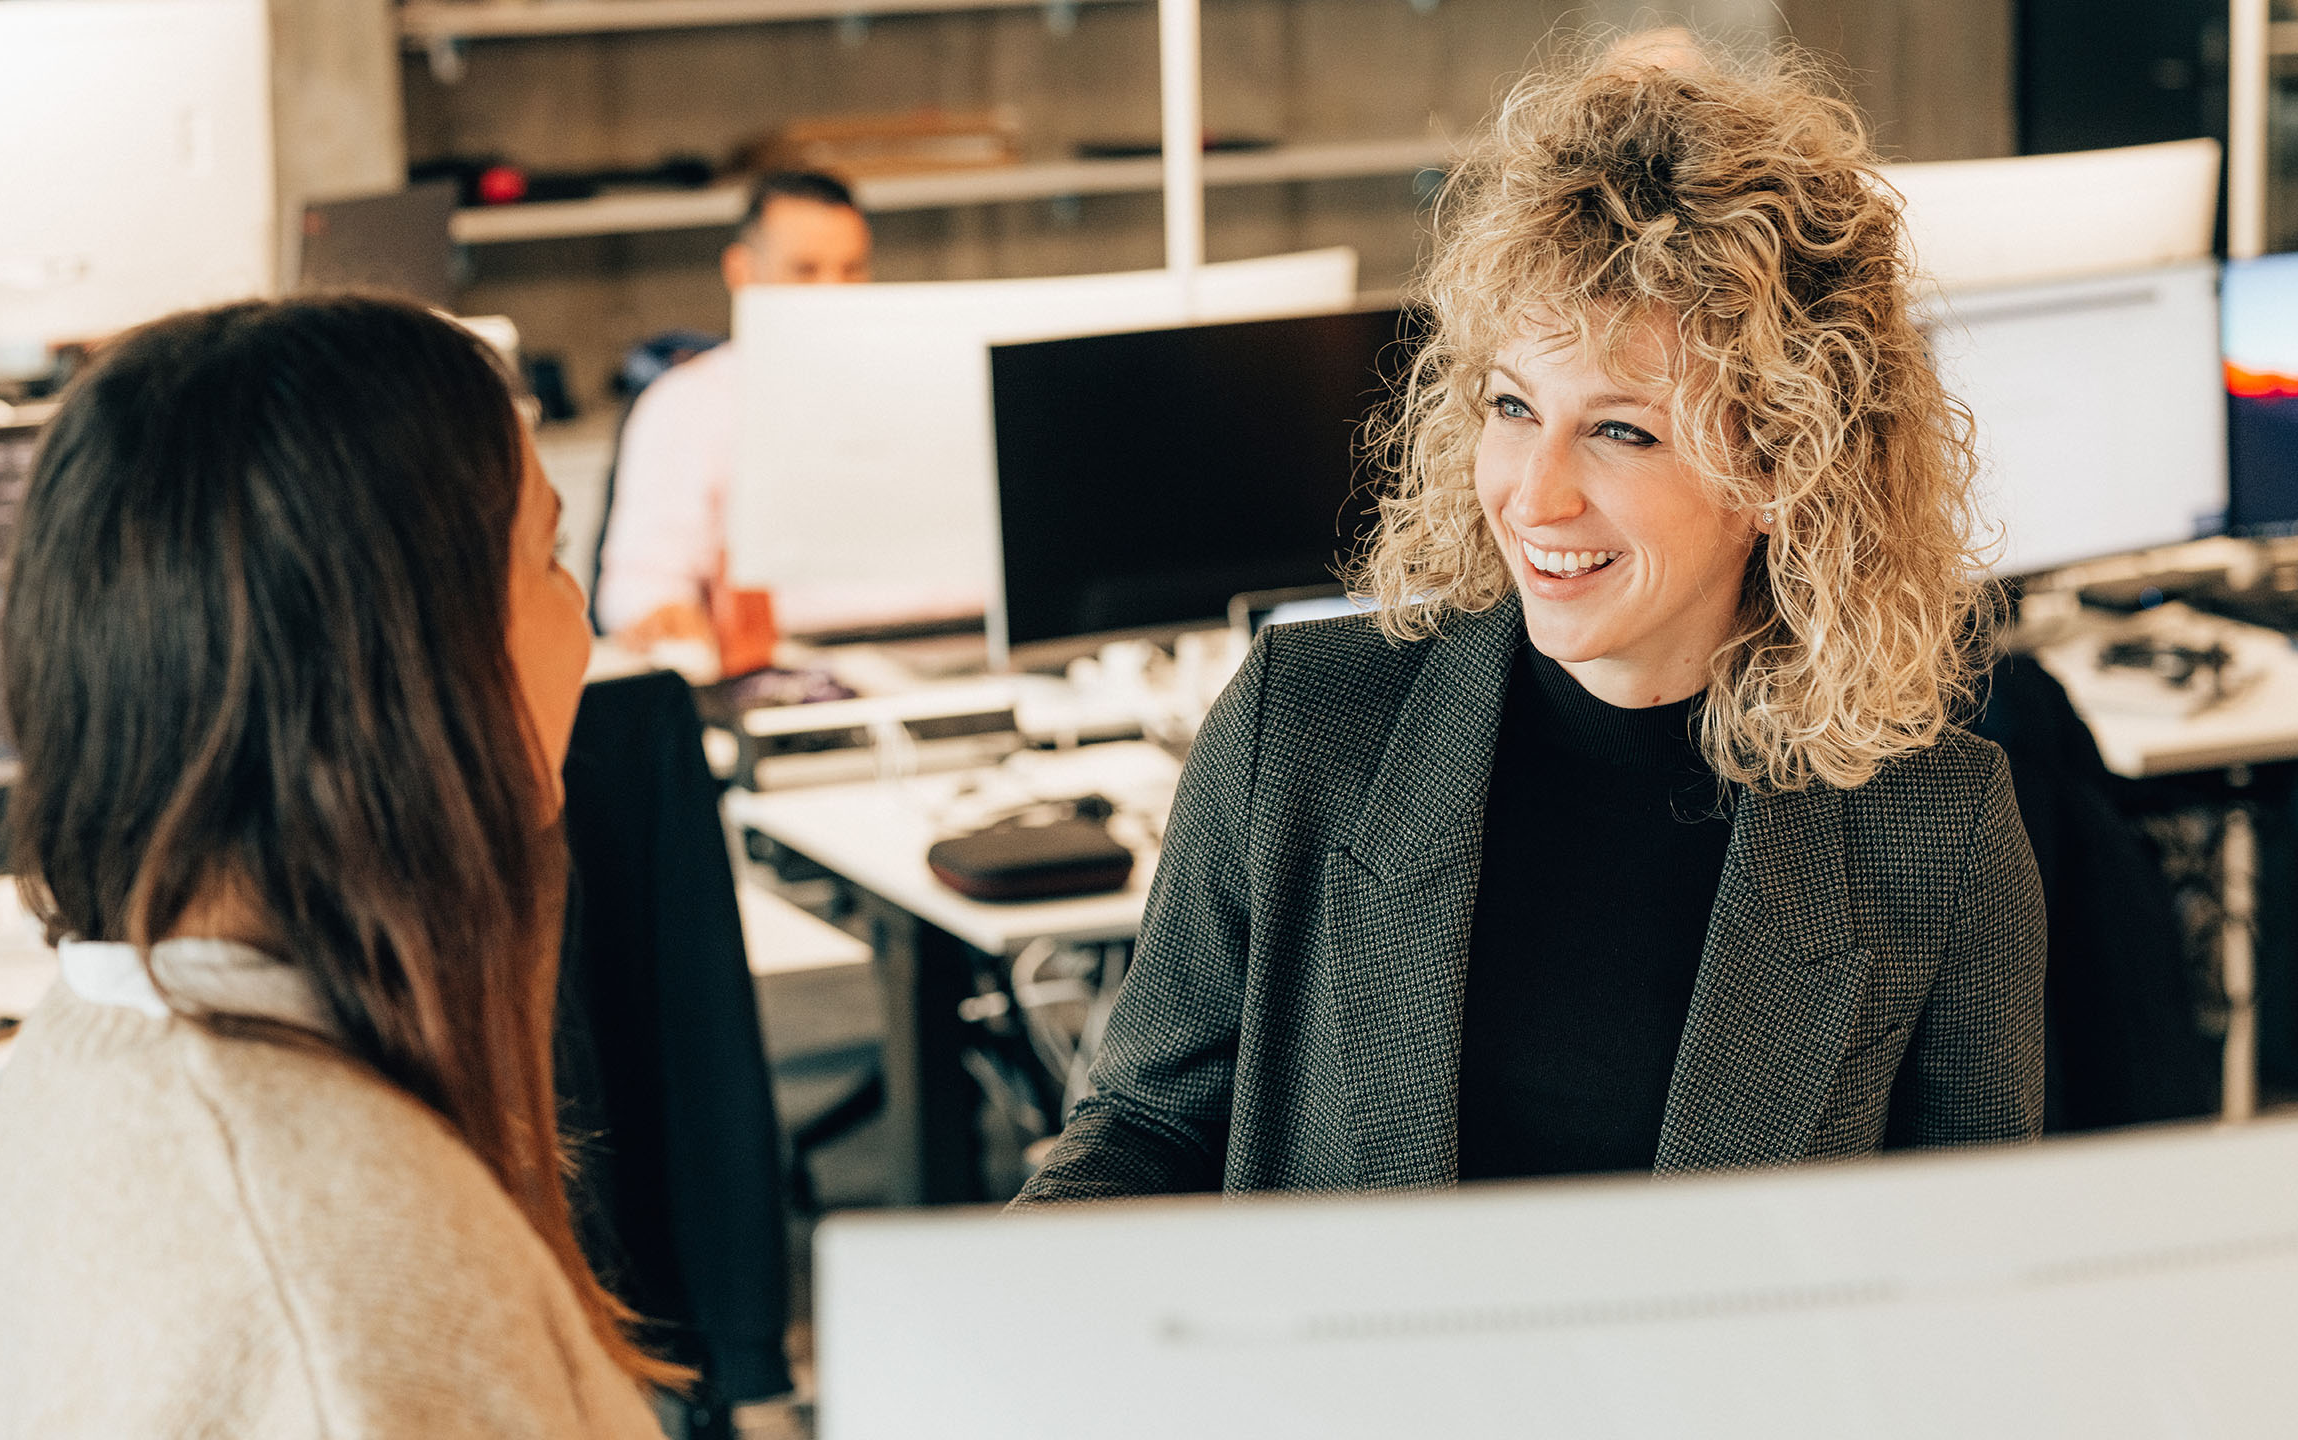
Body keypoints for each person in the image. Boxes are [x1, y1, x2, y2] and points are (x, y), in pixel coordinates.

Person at [1016, 37, 2047, 1204]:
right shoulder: (1302, 723)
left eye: (1621, 430)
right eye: (1512, 406)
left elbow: (1964, 1264)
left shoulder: (1935, 829)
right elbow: (1147, 1126)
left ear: (1781, 469)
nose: (1532, 492)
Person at [0, 296, 682, 1435]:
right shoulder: (353, 1285)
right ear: (407, 656)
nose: (581, 613)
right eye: (545, 553)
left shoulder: (105, 1045)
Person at [593, 170, 872, 649]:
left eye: (851, 269)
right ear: (742, 272)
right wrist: (667, 618)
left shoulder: (933, 383)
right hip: (771, 672)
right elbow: (639, 588)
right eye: (805, 270)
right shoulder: (685, 404)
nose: (833, 294)